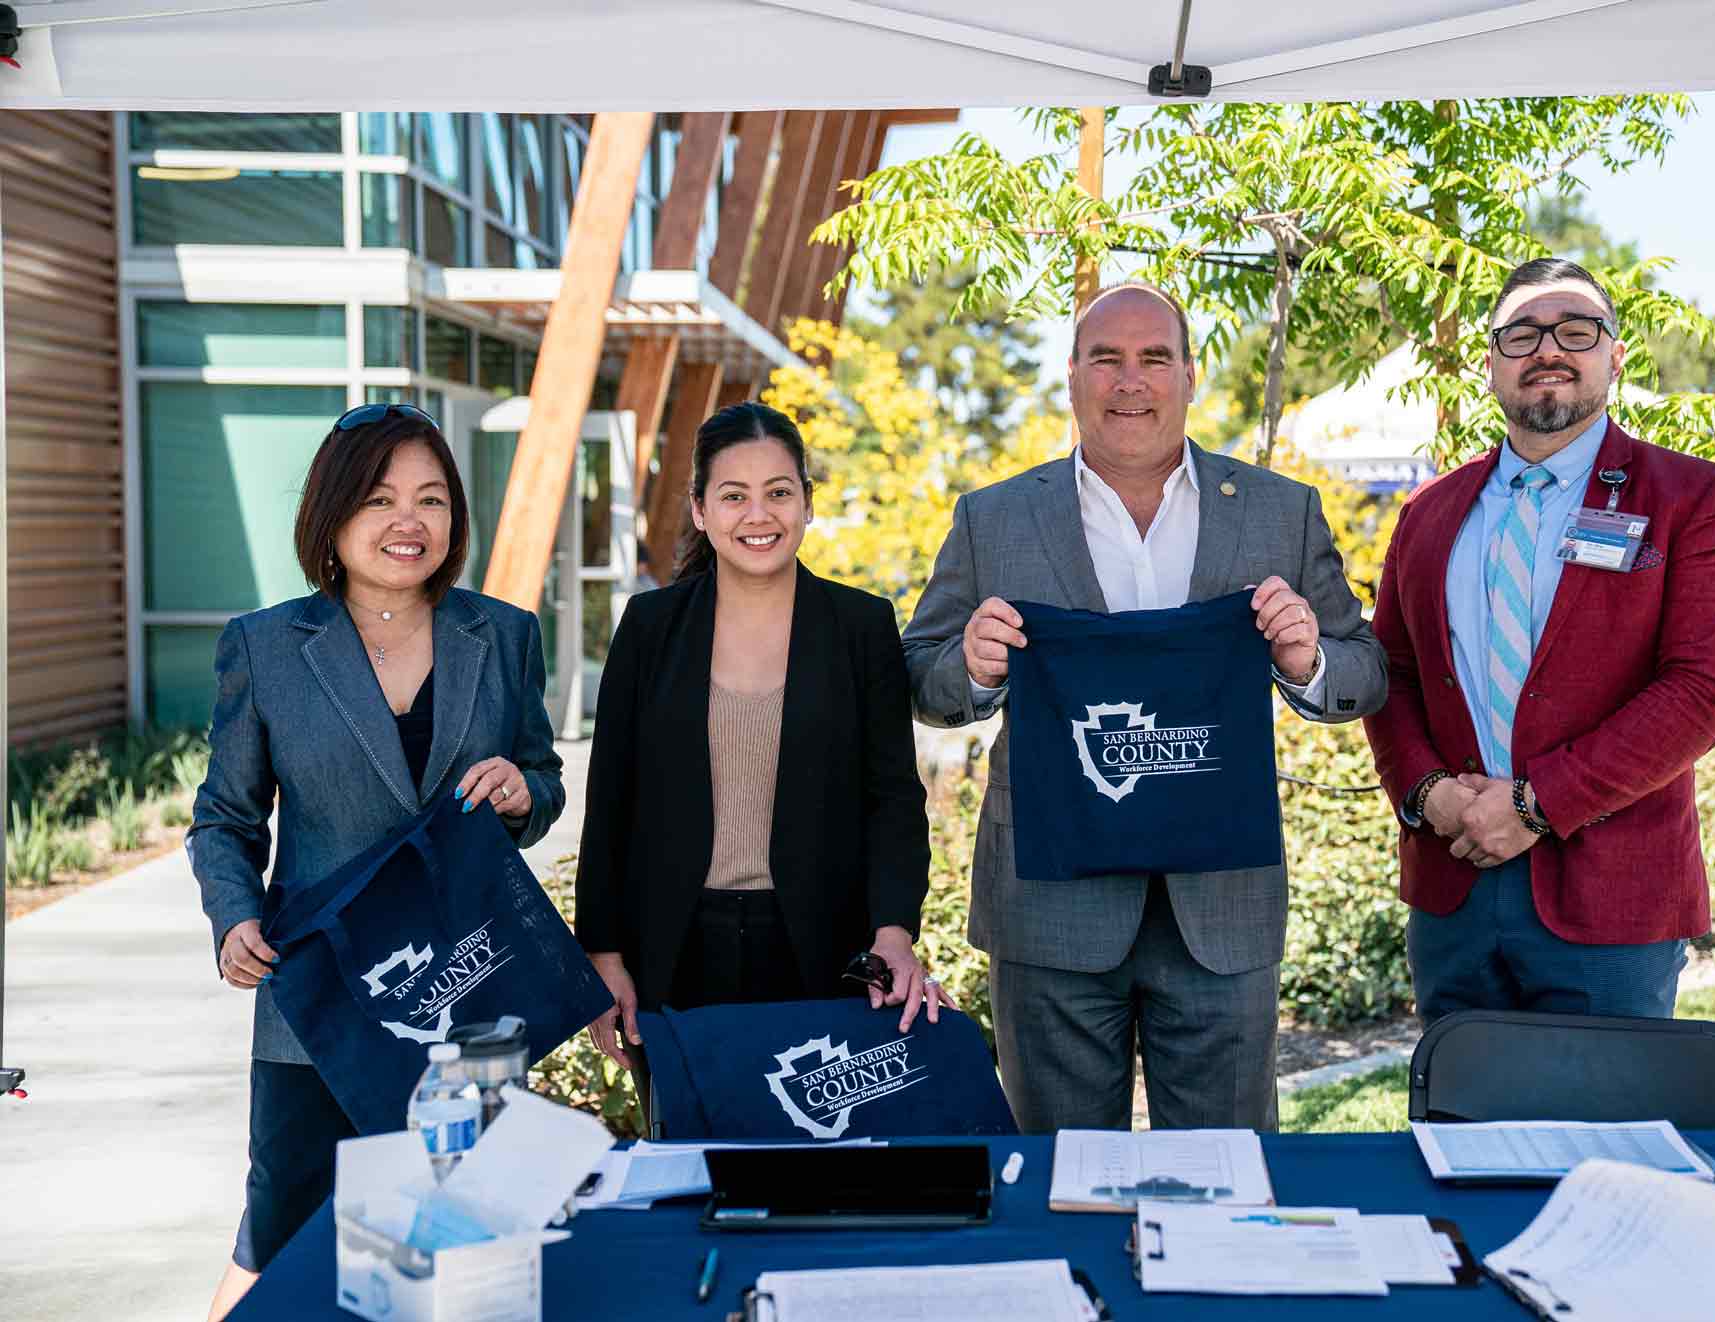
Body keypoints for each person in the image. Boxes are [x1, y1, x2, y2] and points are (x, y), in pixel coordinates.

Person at [901, 283, 1388, 1134]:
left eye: (1155, 358)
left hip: (1220, 911)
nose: (1132, 381)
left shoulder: (1280, 511)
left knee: (1228, 1181)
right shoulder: (995, 518)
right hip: (1048, 911)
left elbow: (1365, 670)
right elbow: (919, 673)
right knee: (1057, 1178)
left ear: (1191, 376)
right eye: (1107, 359)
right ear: (1072, 377)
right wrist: (971, 670)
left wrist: (1308, 658)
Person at [188, 403, 564, 1320]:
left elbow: (543, 779)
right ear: (334, 514)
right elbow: (225, 817)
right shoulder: (267, 645)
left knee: (464, 1240)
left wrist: (523, 792)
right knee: (281, 1238)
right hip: (317, 1001)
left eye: (432, 500)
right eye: (382, 498)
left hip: (467, 997)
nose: (410, 521)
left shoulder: (503, 635)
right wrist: (235, 916)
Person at [1362, 257, 1715, 1024]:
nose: (1547, 349)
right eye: (1521, 334)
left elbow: (1706, 692)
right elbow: (1394, 673)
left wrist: (1538, 804)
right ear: (1489, 366)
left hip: (1611, 900)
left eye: (1575, 331)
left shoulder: (1696, 499)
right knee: (1455, 1127)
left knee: (1608, 1139)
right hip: (1454, 889)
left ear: (1615, 357)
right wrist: (1427, 794)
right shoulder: (1429, 513)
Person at [577, 402, 946, 1072]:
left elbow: (891, 797)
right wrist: (603, 956)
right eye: (733, 496)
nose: (758, 516)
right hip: (673, 953)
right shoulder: (651, 626)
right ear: (699, 509)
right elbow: (611, 800)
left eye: (779, 493)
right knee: (690, 1164)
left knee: (815, 1165)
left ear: (807, 503)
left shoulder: (861, 626)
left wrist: (895, 931)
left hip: (825, 954)